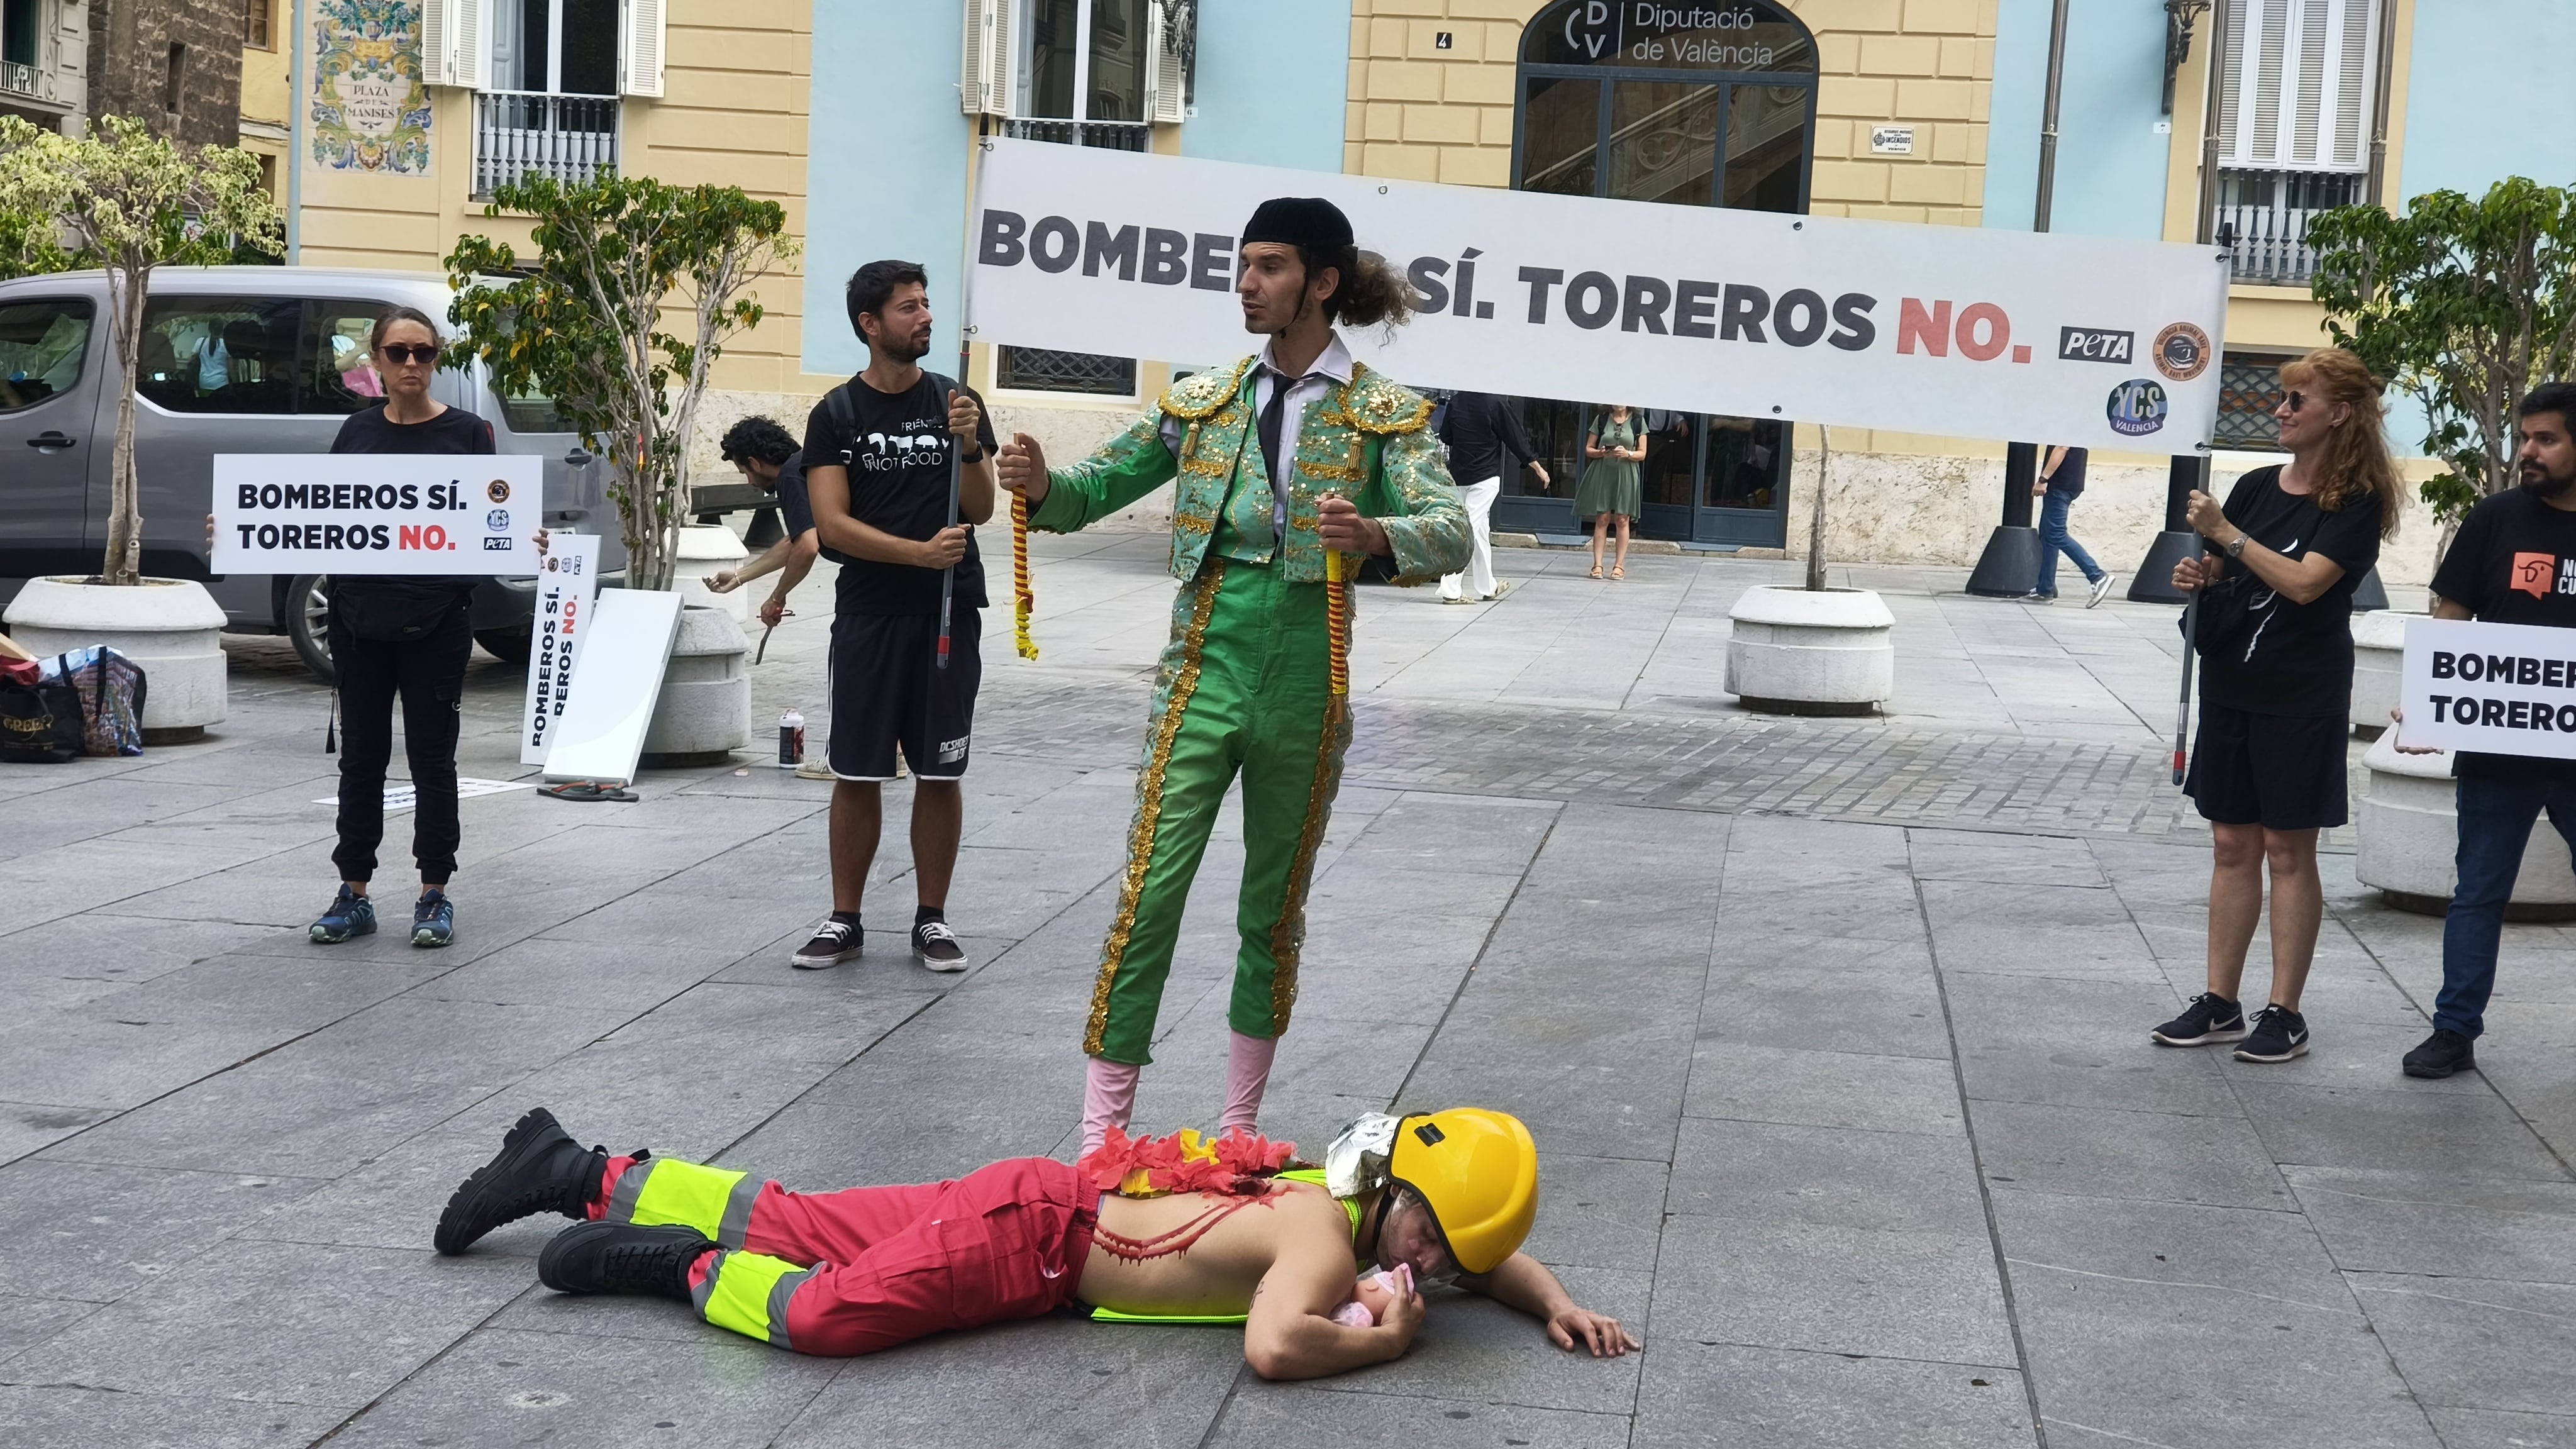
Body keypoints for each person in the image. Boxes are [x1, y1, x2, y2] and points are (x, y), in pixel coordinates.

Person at [996, 197, 1469, 1151]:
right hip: (1201, 669)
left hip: (1306, 680)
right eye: (1244, 264)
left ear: (1322, 283)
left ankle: (1240, 1130)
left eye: (1270, 266)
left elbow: (1451, 530)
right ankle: (1099, 1141)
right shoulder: (1205, 399)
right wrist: (1041, 482)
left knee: (1273, 906)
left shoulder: (1385, 413)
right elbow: (1091, 491)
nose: (1246, 285)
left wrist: (1377, 533)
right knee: (1149, 892)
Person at [433, 1103, 1638, 1377]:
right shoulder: (1323, 1246)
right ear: (1395, 1188)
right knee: (824, 1308)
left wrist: (1551, 1298)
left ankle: (573, 1167)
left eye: (1446, 1259)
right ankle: (673, 1263)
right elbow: (1276, 1347)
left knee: (794, 1215)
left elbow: (1480, 1247)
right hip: (1029, 1250)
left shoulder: (1345, 1188)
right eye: (1427, 1239)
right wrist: (1384, 1344)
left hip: (1034, 1195)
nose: (1428, 1268)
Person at [2152, 348, 2400, 1063]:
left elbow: (2304, 584)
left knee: (2289, 850)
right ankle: (2219, 1000)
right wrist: (2202, 571)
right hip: (2233, 684)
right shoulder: (2258, 485)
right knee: (2231, 845)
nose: (2280, 409)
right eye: (2283, 397)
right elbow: (2230, 569)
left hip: (2301, 693)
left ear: (2339, 414)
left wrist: (2227, 534)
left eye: (2297, 399)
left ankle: (2285, 1012)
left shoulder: (2356, 502)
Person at [791, 262, 997, 974]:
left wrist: (969, 444)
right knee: (857, 769)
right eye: (908, 307)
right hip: (871, 614)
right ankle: (844, 919)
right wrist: (917, 554)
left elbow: (981, 507)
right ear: (869, 324)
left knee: (940, 770)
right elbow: (832, 525)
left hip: (948, 613)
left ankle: (931, 919)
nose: (925, 316)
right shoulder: (836, 414)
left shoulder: (956, 400)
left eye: (926, 304)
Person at [298, 307, 526, 950]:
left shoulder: (468, 433)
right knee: (361, 760)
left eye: (423, 352)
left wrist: (520, 537)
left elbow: (492, 518)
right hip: (358, 622)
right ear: (375, 359)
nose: (410, 364)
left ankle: (434, 893)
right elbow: (320, 514)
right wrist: (237, 529)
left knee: (432, 761)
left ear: (436, 359)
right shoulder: (356, 432)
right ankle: (354, 893)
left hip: (437, 622)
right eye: (397, 352)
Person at [2396, 384, 2576, 1079]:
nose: (2528, 450)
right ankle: (2453, 1031)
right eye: (2524, 437)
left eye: (2546, 439)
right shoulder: (2495, 518)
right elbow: (2452, 616)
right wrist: (2426, 696)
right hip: (2500, 747)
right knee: (2477, 892)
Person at [704, 415, 819, 631]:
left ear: (755, 463)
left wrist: (777, 597)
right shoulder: (802, 465)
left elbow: (807, 546)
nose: (750, 482)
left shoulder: (791, 476)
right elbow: (796, 540)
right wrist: (739, 577)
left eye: (745, 472)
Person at [1434, 390, 1547, 604]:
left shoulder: (1457, 401)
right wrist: (1538, 468)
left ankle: (1488, 586)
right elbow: (1515, 437)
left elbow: (1447, 436)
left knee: (1480, 532)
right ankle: (1450, 589)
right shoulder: (1495, 403)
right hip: (1485, 477)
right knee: (1468, 529)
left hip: (1460, 476)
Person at [2021, 445, 2117, 607]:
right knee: (2048, 535)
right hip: (2069, 481)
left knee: (2056, 533)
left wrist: (2043, 479)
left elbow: (2062, 447)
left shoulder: (2066, 428)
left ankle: (2097, 576)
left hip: (2060, 482)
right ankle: (2044, 589)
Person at [1575, 405, 1641, 580]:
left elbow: (1643, 453)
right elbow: (1589, 449)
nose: (1619, 402)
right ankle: (1597, 565)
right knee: (1602, 518)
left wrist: (1628, 453)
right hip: (1604, 472)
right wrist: (1601, 452)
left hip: (1627, 473)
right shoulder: (1602, 419)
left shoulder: (1637, 421)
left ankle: (1619, 566)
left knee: (1622, 519)